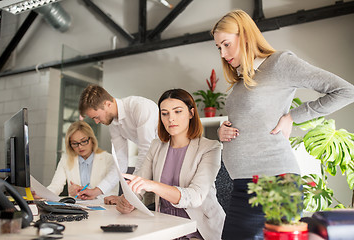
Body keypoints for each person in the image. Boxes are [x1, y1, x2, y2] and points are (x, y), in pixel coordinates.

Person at [211, 9, 354, 240]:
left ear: (245, 36)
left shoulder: (279, 63)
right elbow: (250, 120)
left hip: (273, 184)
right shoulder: (242, 80)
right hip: (241, 185)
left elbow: (345, 91)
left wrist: (292, 117)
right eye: (219, 47)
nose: (223, 53)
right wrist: (223, 130)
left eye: (226, 44)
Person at [115, 88, 225, 240]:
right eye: (165, 113)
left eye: (177, 111)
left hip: (198, 230)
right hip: (165, 227)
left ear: (191, 113)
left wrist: (153, 185)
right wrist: (128, 199)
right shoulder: (156, 146)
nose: (170, 119)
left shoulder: (210, 147)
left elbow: (195, 197)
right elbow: (140, 184)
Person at [78, 85, 158, 202]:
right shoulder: (114, 124)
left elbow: (146, 152)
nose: (96, 122)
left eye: (97, 117)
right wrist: (97, 190)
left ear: (108, 104)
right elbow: (120, 162)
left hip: (166, 166)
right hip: (150, 169)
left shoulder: (139, 108)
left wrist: (129, 195)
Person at [46, 121, 117, 198]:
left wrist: (91, 194)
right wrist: (42, 195)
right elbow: (55, 186)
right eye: (75, 143)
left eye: (83, 141)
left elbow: (113, 192)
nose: (80, 147)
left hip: (101, 206)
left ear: (92, 140)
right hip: (75, 206)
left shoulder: (108, 159)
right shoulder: (65, 159)